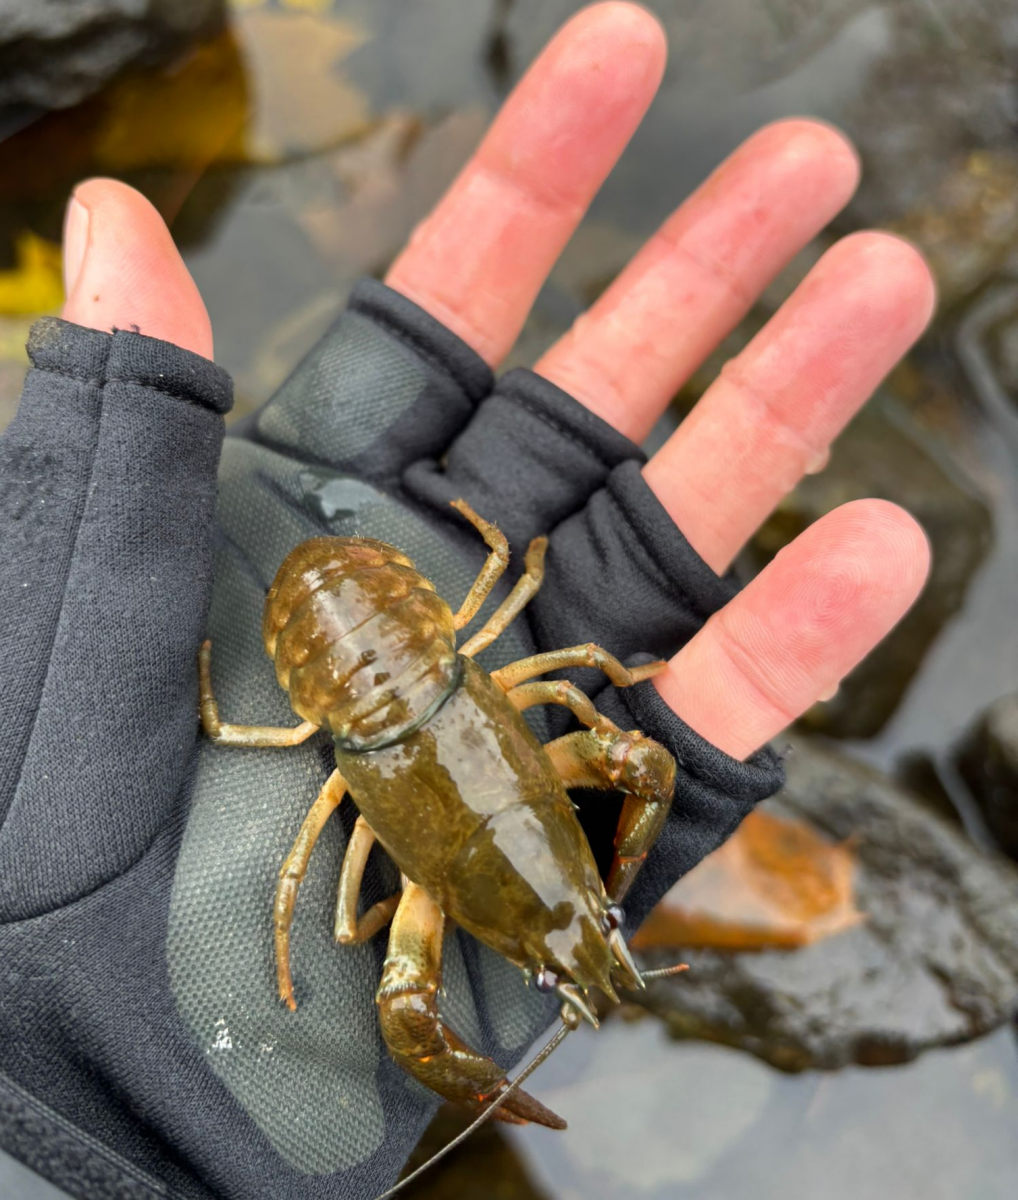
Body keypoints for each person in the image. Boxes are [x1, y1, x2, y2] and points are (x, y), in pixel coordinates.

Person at [0, 5, 933, 1198]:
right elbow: (397, 902)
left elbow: (591, 766)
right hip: (379, 650)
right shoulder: (514, 703)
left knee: (613, 787)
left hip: (410, 662)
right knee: (624, 775)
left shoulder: (496, 760)